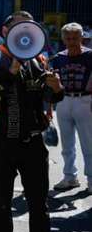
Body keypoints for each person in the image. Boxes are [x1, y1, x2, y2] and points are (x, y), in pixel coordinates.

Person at [0, 11, 64, 232]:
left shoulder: (40, 58)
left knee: (39, 199)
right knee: (2, 198)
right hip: (1, 142)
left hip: (33, 142)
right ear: (6, 31)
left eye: (28, 27)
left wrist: (56, 88)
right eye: (18, 27)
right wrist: (8, 73)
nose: (24, 32)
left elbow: (49, 99)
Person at [49, 23, 92, 193]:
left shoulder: (90, 56)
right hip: (64, 101)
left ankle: (91, 180)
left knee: (88, 144)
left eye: (75, 38)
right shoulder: (59, 57)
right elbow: (53, 82)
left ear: (82, 38)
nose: (72, 41)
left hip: (85, 100)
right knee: (67, 144)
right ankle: (69, 177)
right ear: (63, 39)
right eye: (68, 38)